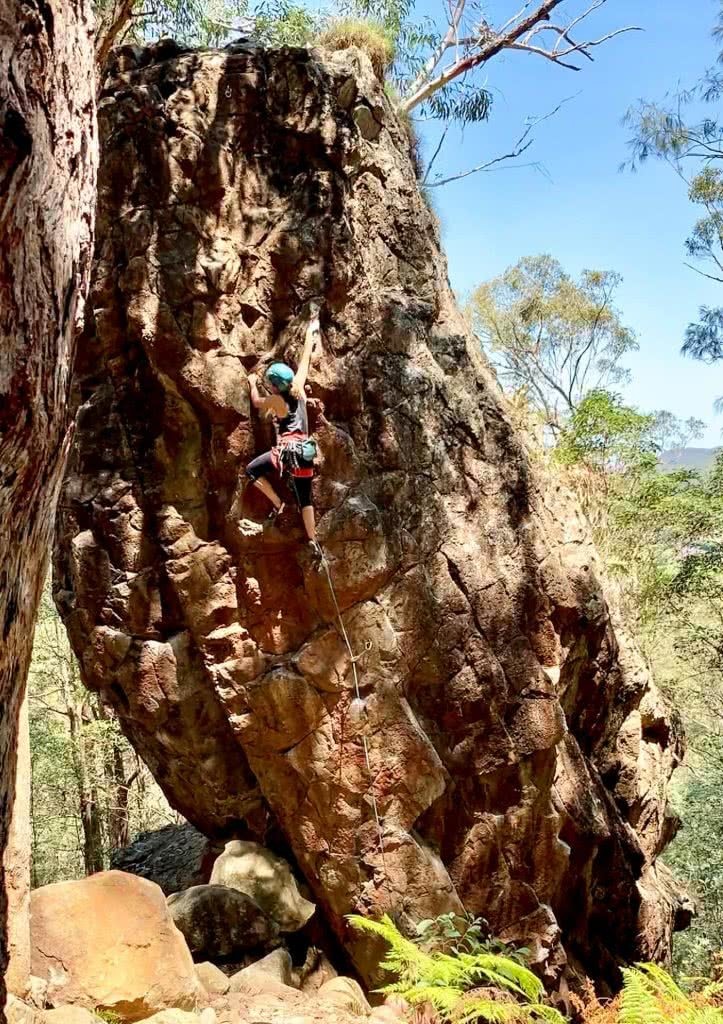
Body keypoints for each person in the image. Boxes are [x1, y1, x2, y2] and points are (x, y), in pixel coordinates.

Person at [245, 310, 321, 558]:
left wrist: (253, 383)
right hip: (305, 453)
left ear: (276, 386)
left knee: (252, 470)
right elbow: (305, 358)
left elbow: (257, 403)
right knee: (305, 497)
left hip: (286, 453)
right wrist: (312, 327)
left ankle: (279, 504)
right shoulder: (299, 386)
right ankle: (313, 540)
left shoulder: (277, 401)